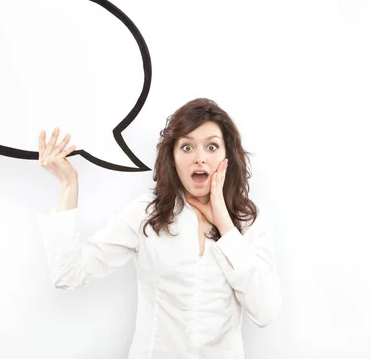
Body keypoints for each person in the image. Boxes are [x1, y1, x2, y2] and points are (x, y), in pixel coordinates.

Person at [37, 98, 282, 358]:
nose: (200, 159)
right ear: (173, 158)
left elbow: (265, 311)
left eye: (211, 146)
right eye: (187, 147)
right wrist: (68, 185)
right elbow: (67, 274)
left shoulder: (250, 221)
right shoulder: (147, 214)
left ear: (227, 156)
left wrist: (224, 222)